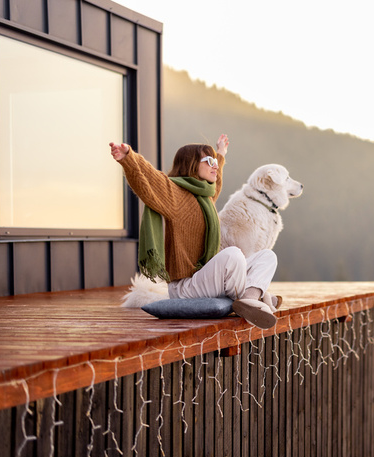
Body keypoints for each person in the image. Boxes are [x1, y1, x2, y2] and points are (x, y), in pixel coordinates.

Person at [109, 135, 279, 329]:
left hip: (206, 279)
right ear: (190, 164)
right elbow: (148, 179)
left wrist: (220, 154)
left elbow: (217, 182)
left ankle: (250, 300)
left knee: (267, 256)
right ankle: (260, 296)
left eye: (215, 162)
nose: (214, 165)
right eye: (209, 161)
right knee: (233, 255)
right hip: (186, 286)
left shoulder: (205, 196)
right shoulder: (174, 194)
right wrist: (128, 158)